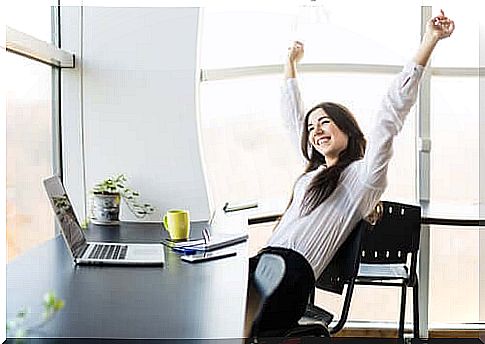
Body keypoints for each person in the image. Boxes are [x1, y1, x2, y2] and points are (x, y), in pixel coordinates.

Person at [248, 10, 455, 333]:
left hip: (290, 275)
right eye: (312, 127)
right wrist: (290, 65)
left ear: (347, 129)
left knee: (230, 323)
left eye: (325, 122)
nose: (316, 130)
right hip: (266, 263)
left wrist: (430, 40)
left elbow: (390, 113)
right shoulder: (313, 174)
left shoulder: (362, 177)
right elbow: (293, 121)